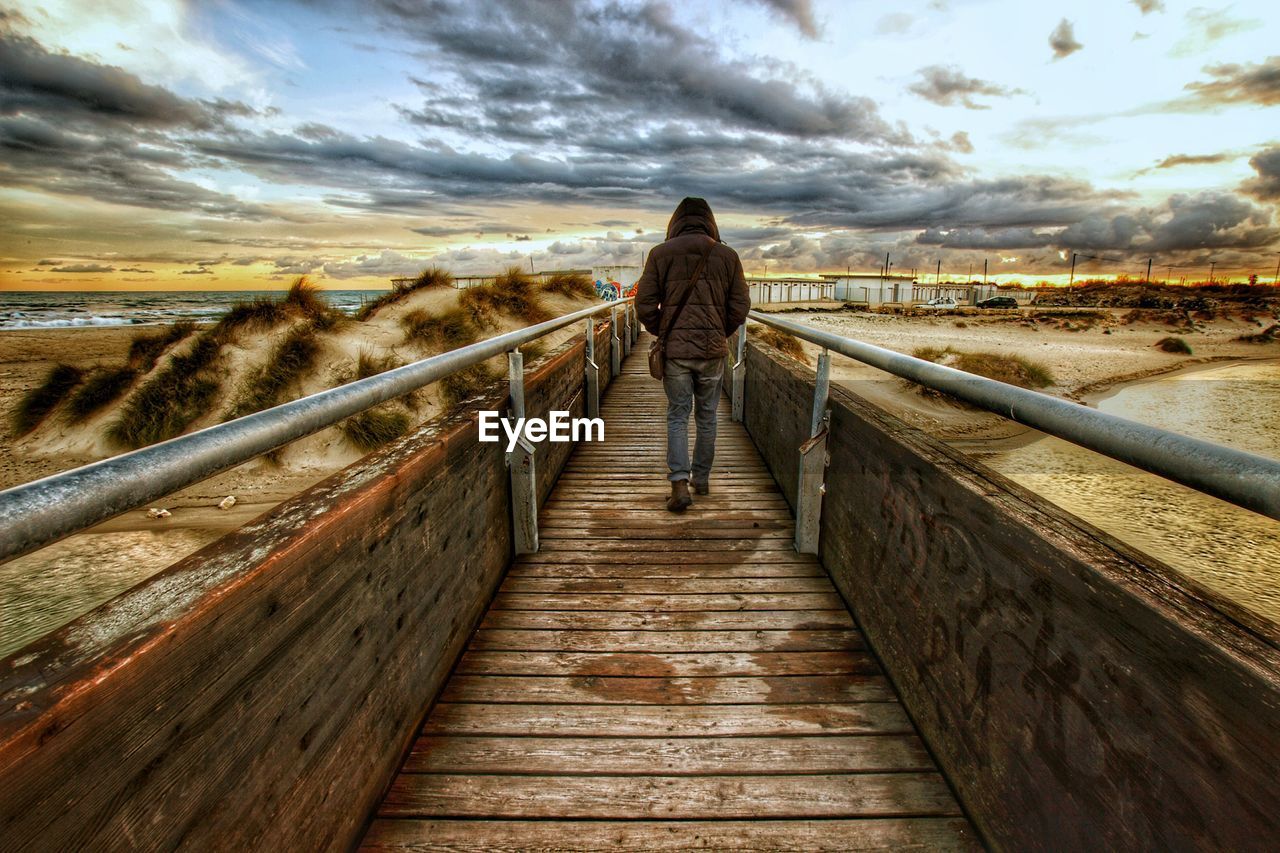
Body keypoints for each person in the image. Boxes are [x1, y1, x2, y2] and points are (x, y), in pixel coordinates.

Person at [636, 197, 750, 512]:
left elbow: (644, 303)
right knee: (707, 416)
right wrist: (719, 332)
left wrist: (664, 331)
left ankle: (678, 484)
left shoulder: (660, 254)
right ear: (710, 221)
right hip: (713, 352)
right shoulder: (727, 255)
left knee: (677, 414)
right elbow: (739, 307)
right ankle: (701, 479)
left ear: (675, 222)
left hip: (676, 353)